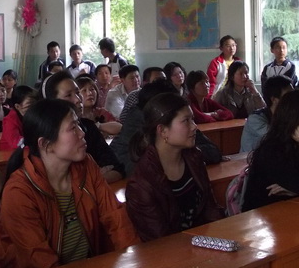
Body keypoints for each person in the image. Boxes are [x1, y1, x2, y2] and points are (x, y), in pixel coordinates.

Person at [0, 98, 139, 268]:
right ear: (46, 144)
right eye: (73, 128)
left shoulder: (86, 165)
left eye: (79, 124)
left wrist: (134, 262)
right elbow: (39, 263)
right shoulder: (19, 192)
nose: (82, 132)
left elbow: (116, 218)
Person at [125, 93, 224, 242]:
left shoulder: (194, 158)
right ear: (162, 131)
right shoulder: (142, 184)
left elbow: (210, 210)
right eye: (186, 121)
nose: (194, 126)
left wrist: (221, 240)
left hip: (203, 244)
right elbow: (160, 241)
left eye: (192, 119)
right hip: (171, 252)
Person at [111, 79, 222, 178]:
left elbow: (213, 152)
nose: (193, 126)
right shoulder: (140, 122)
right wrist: (180, 154)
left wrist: (180, 153)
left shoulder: (180, 122)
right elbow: (133, 169)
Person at [41, 71, 125, 183]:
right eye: (68, 95)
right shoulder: (45, 134)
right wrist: (94, 177)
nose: (78, 99)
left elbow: (117, 169)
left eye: (77, 92)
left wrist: (90, 182)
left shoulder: (88, 127)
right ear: (52, 102)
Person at [240, 75, 294, 153]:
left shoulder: (286, 116)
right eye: (289, 96)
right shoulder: (255, 119)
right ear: (274, 99)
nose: (293, 99)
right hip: (250, 160)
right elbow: (277, 138)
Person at [0, 85, 37, 150]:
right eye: (29, 106)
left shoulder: (34, 117)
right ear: (17, 106)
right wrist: (36, 143)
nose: (33, 108)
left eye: (35, 104)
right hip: (10, 153)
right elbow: (16, 142)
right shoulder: (10, 120)